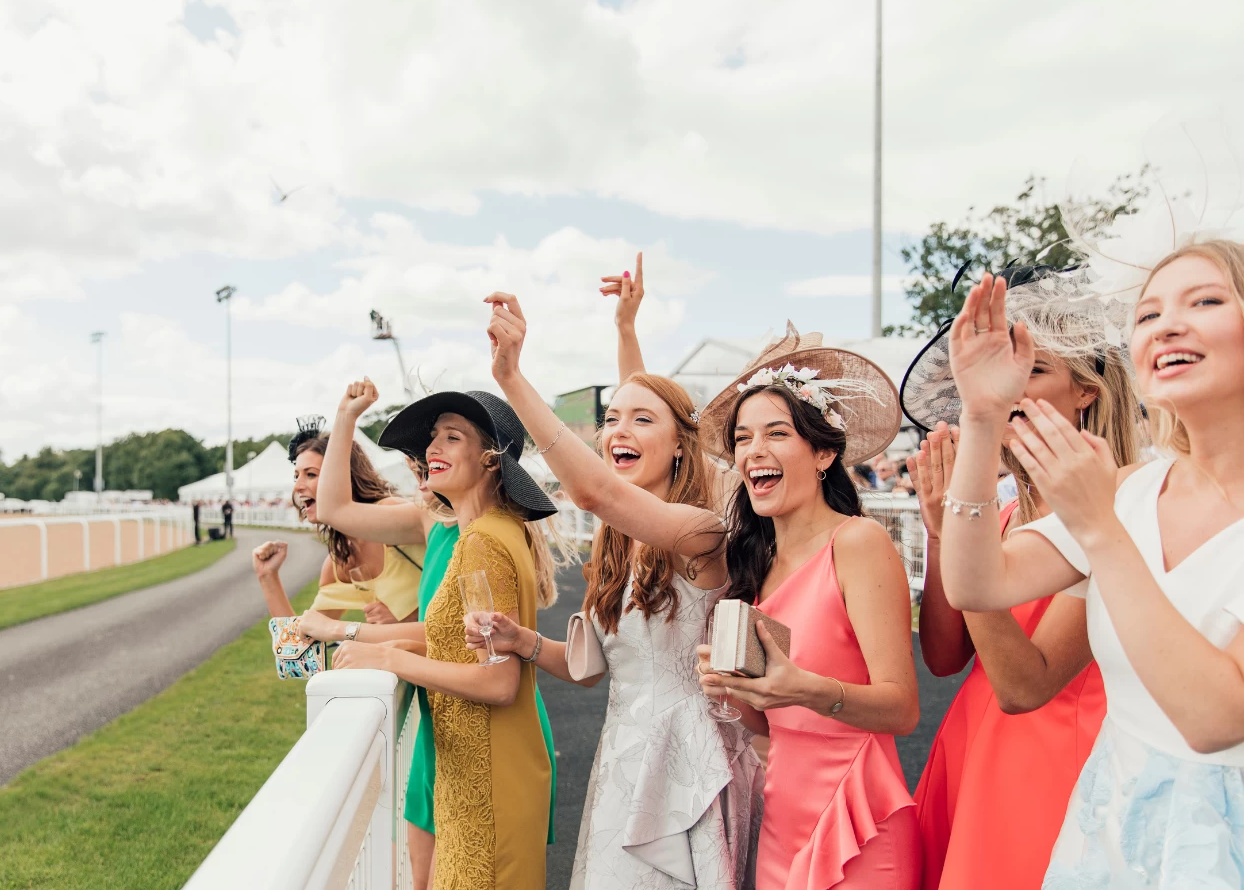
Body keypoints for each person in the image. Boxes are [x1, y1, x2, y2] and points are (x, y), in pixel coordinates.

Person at [941, 247, 1244, 885]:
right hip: (1107, 834)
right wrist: (982, 417)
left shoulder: (1107, 506)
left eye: (1205, 301)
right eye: (1148, 314)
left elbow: (1214, 721)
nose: (1167, 325)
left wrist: (1101, 530)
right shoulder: (1132, 489)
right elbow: (977, 582)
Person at [475, 269, 761, 889]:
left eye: (641, 421)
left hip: (688, 765)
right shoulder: (616, 544)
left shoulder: (701, 532)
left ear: (682, 446)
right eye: (611, 419)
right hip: (623, 761)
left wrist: (511, 378)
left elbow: (596, 490)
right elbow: (593, 670)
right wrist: (520, 640)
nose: (618, 431)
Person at [899, 266, 1143, 890]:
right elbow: (945, 658)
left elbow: (1024, 684)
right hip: (971, 749)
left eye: (1032, 370)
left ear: (1086, 390)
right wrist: (943, 534)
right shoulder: (1002, 515)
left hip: (1051, 767)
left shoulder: (1114, 510)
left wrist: (965, 526)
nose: (1006, 384)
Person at [684, 324, 922, 889]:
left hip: (858, 818)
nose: (754, 450)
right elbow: (769, 720)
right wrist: (729, 689)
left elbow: (903, 709)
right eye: (743, 438)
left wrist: (803, 688)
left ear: (823, 452)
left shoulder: (858, 542)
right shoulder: (754, 565)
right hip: (782, 817)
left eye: (777, 433)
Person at [322, 385, 566, 890]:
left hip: (488, 778)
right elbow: (463, 646)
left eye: (452, 437)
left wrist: (389, 657)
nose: (432, 447)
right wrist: (402, 646)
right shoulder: (492, 530)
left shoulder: (483, 542)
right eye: (433, 437)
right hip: (476, 771)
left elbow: (498, 683)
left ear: (491, 460)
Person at [249, 415, 421, 625]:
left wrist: (414, 615)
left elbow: (457, 568)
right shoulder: (340, 560)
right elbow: (303, 639)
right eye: (296, 476)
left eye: (311, 474)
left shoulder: (392, 512)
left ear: (344, 477)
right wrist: (267, 577)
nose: (298, 487)